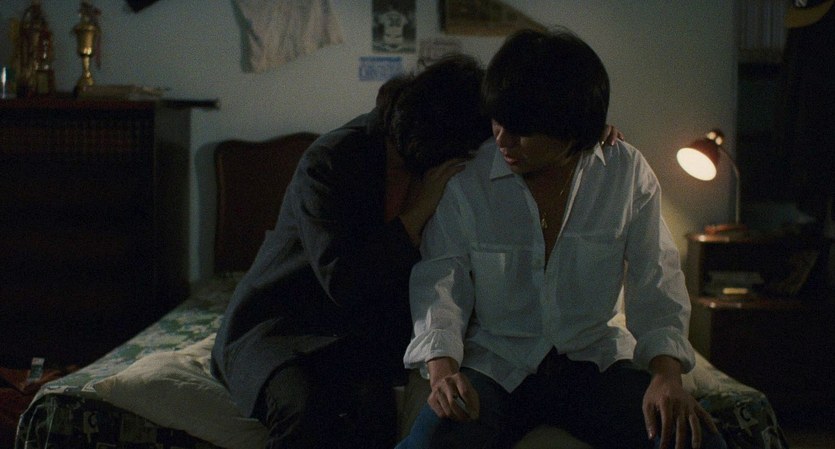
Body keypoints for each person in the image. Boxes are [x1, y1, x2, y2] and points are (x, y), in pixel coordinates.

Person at [211, 53, 622, 448]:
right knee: (303, 411)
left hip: (357, 336)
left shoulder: (454, 151)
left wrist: (582, 135)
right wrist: (415, 214)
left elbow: (519, 133)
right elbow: (345, 282)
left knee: (374, 417)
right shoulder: (331, 162)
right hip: (281, 326)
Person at [397, 28, 728, 449]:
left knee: (698, 441)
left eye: (522, 130)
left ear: (571, 131)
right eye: (498, 121)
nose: (502, 139)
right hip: (499, 363)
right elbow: (440, 279)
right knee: (430, 441)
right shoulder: (468, 179)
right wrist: (443, 371)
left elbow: (656, 279)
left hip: (594, 361)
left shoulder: (623, 173)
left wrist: (666, 376)